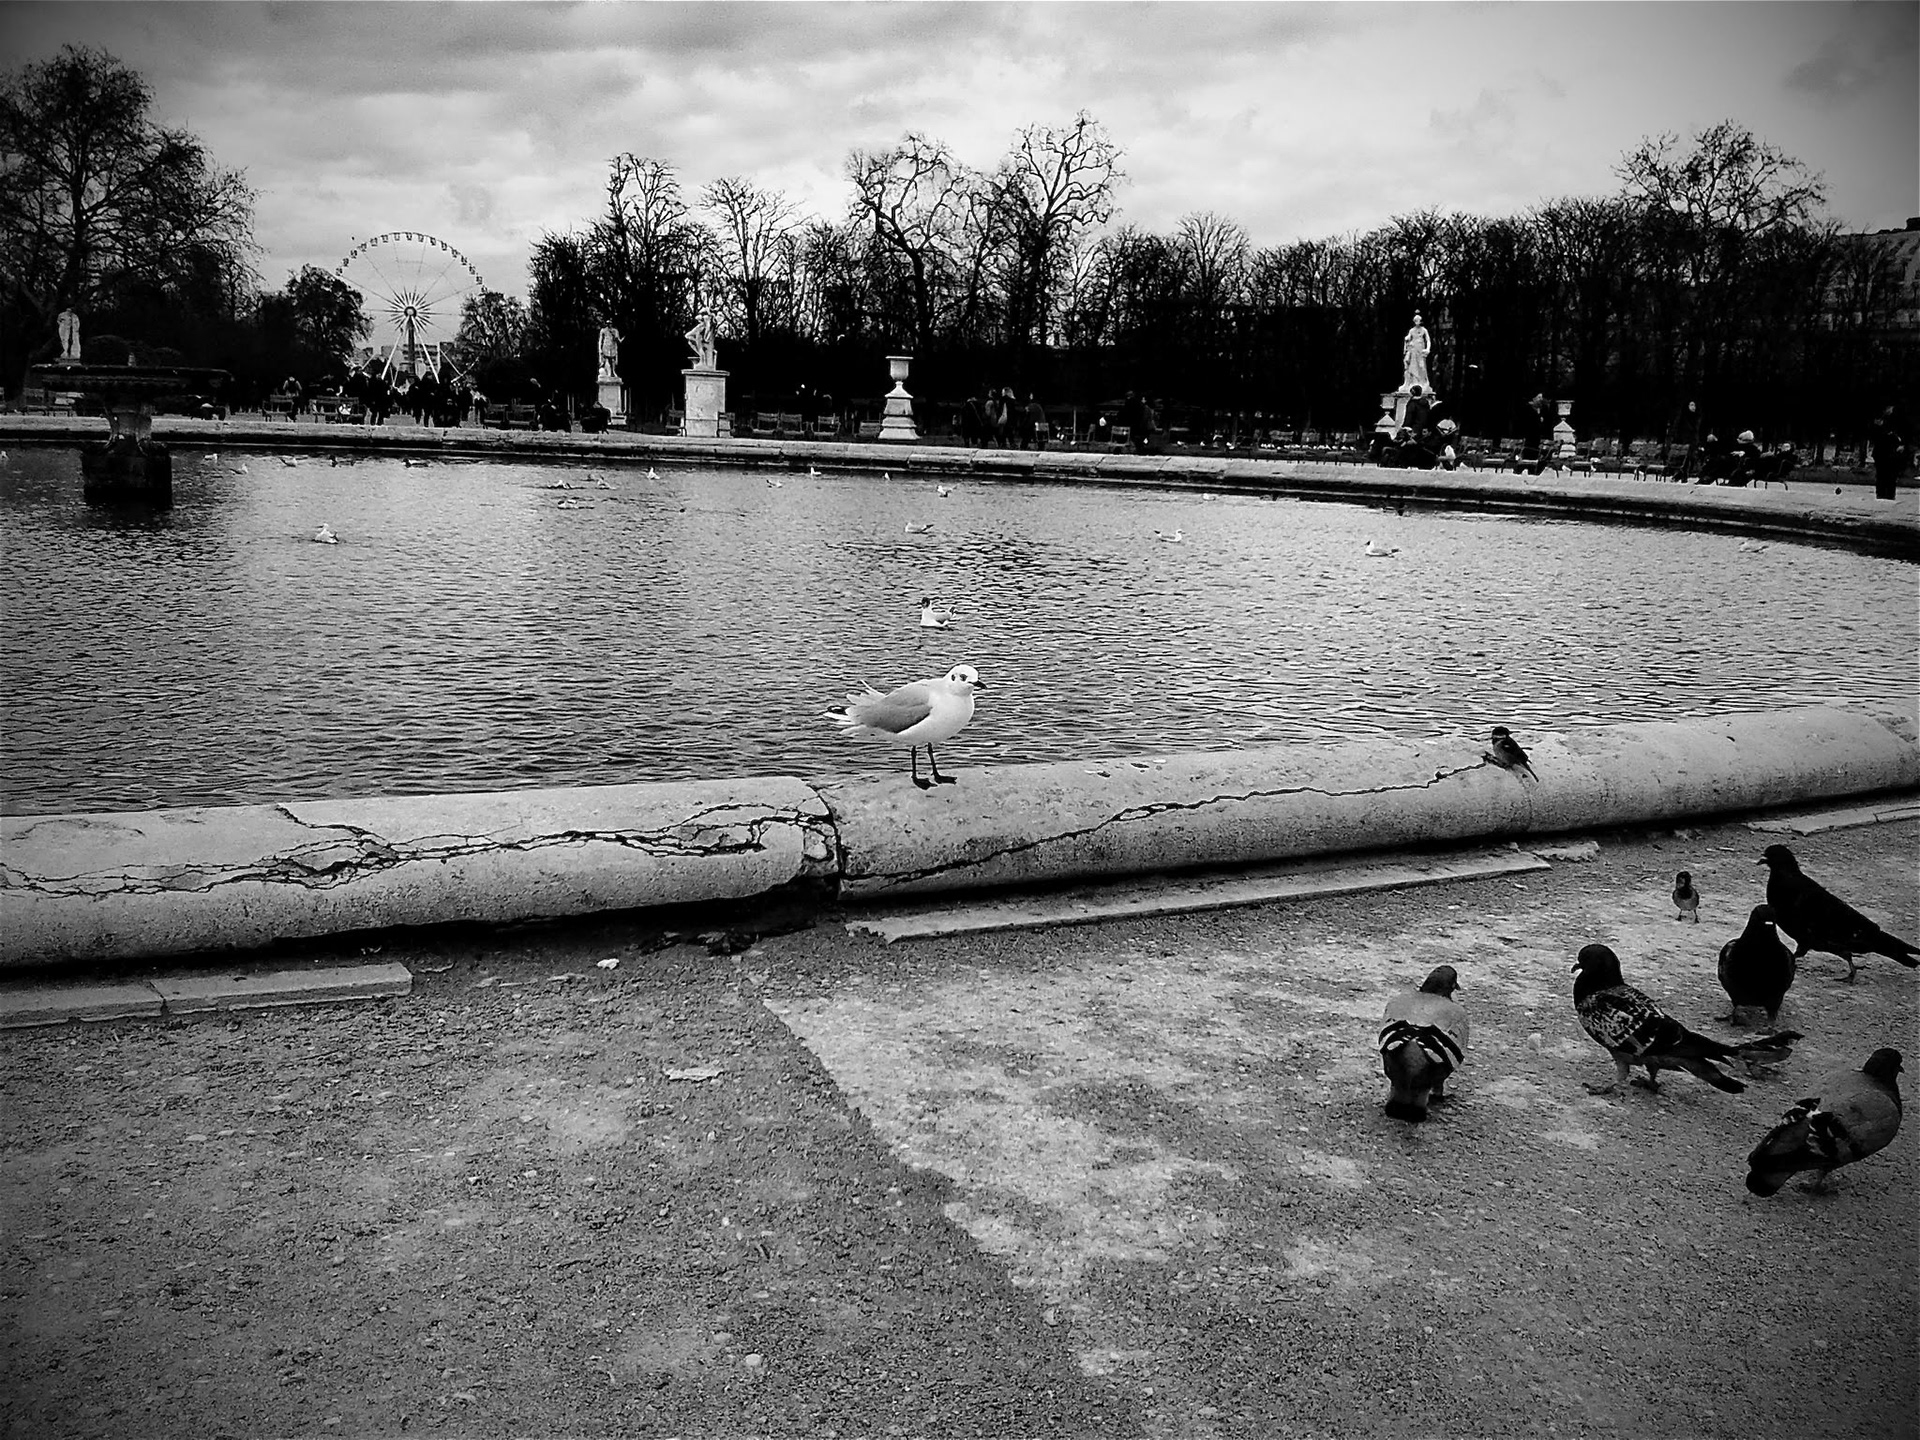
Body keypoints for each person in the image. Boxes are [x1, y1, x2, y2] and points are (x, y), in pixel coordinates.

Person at [1871, 409, 1908, 501]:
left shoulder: (1892, 425)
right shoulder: (1880, 428)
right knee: (1883, 475)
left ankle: (1887, 494)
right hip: (1883, 453)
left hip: (1890, 454)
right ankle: (1883, 494)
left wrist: (1901, 445)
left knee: (1889, 476)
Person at [1517, 392, 1550, 476]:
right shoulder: (1527, 409)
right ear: (1533, 398)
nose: (1540, 400)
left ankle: (1533, 471)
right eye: (1538, 397)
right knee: (1528, 454)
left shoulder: (1542, 410)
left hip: (1537, 439)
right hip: (1529, 438)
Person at [1402, 312, 1431, 392]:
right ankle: (1413, 383)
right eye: (1416, 320)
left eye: (1418, 320)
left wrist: (1428, 349)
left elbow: (1428, 340)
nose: (1417, 322)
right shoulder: (1412, 330)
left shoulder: (1424, 330)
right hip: (1413, 349)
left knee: (1422, 367)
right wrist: (1407, 339)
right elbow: (1408, 337)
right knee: (1412, 366)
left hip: (1420, 350)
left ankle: (1423, 382)